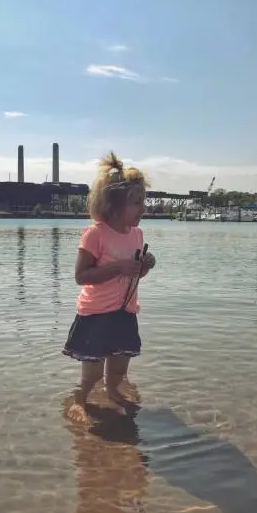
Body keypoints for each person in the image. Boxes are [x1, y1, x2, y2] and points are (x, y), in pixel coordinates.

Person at [63, 152, 156, 423]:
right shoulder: (96, 234)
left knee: (118, 370)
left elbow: (134, 275)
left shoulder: (137, 234)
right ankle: (79, 400)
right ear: (114, 206)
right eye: (137, 203)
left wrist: (145, 266)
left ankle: (114, 393)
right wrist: (117, 267)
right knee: (92, 373)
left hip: (125, 313)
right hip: (96, 315)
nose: (144, 209)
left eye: (144, 201)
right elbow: (81, 276)